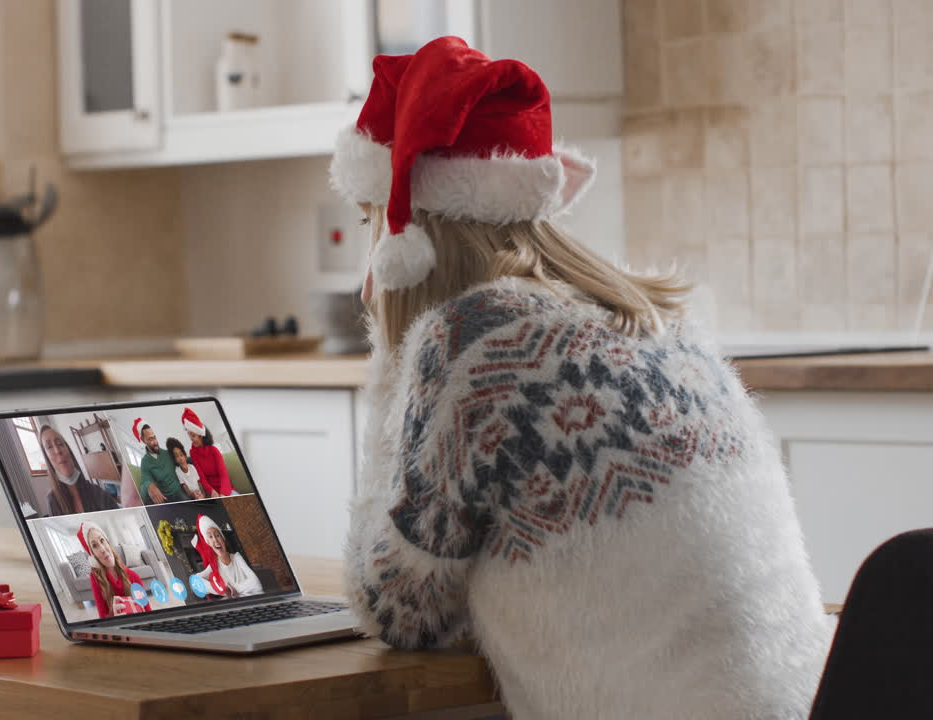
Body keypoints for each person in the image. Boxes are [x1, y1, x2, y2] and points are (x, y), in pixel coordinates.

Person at [334, 37, 833, 719]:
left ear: (406, 242)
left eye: (370, 223)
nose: (366, 278)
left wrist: (390, 377)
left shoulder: (469, 344)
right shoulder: (658, 321)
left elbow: (398, 611)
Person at [38, 424, 120, 516]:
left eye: (60, 444)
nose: (57, 451)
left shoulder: (98, 493)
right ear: (47, 459)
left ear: (69, 452)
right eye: (49, 447)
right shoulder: (52, 500)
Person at [78, 520, 148, 619]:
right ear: (93, 555)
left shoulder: (134, 577)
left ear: (108, 542)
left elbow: (148, 613)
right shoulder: (95, 578)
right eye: (95, 546)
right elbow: (103, 618)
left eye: (102, 540)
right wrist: (113, 616)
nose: (102, 549)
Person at [191, 514, 264, 598]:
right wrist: (223, 589)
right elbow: (195, 581)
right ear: (209, 544)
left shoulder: (237, 558)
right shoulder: (214, 566)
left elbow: (256, 584)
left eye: (217, 535)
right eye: (210, 537)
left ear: (223, 539)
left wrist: (234, 589)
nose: (215, 540)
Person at [132, 418, 191, 505]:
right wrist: (150, 486)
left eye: (154, 437)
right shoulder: (145, 461)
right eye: (150, 439)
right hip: (165, 498)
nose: (155, 442)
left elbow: (182, 459)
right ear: (144, 440)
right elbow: (145, 478)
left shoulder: (167, 453)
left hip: (179, 492)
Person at [181, 408, 236, 497]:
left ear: (201, 435)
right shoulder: (193, 453)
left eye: (193, 436)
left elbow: (224, 475)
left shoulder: (214, 450)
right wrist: (211, 491)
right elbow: (202, 478)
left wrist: (223, 494)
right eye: (189, 435)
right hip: (212, 492)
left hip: (225, 489)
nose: (191, 439)